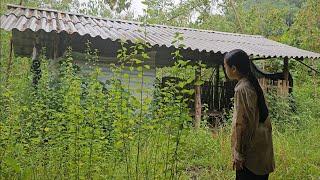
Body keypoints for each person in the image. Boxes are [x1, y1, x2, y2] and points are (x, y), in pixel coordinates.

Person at [224, 49, 275, 180]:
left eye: (226, 66)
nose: (225, 69)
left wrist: (239, 154)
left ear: (234, 69)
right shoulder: (253, 83)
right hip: (262, 149)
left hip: (250, 155)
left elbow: (241, 124)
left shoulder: (242, 89)